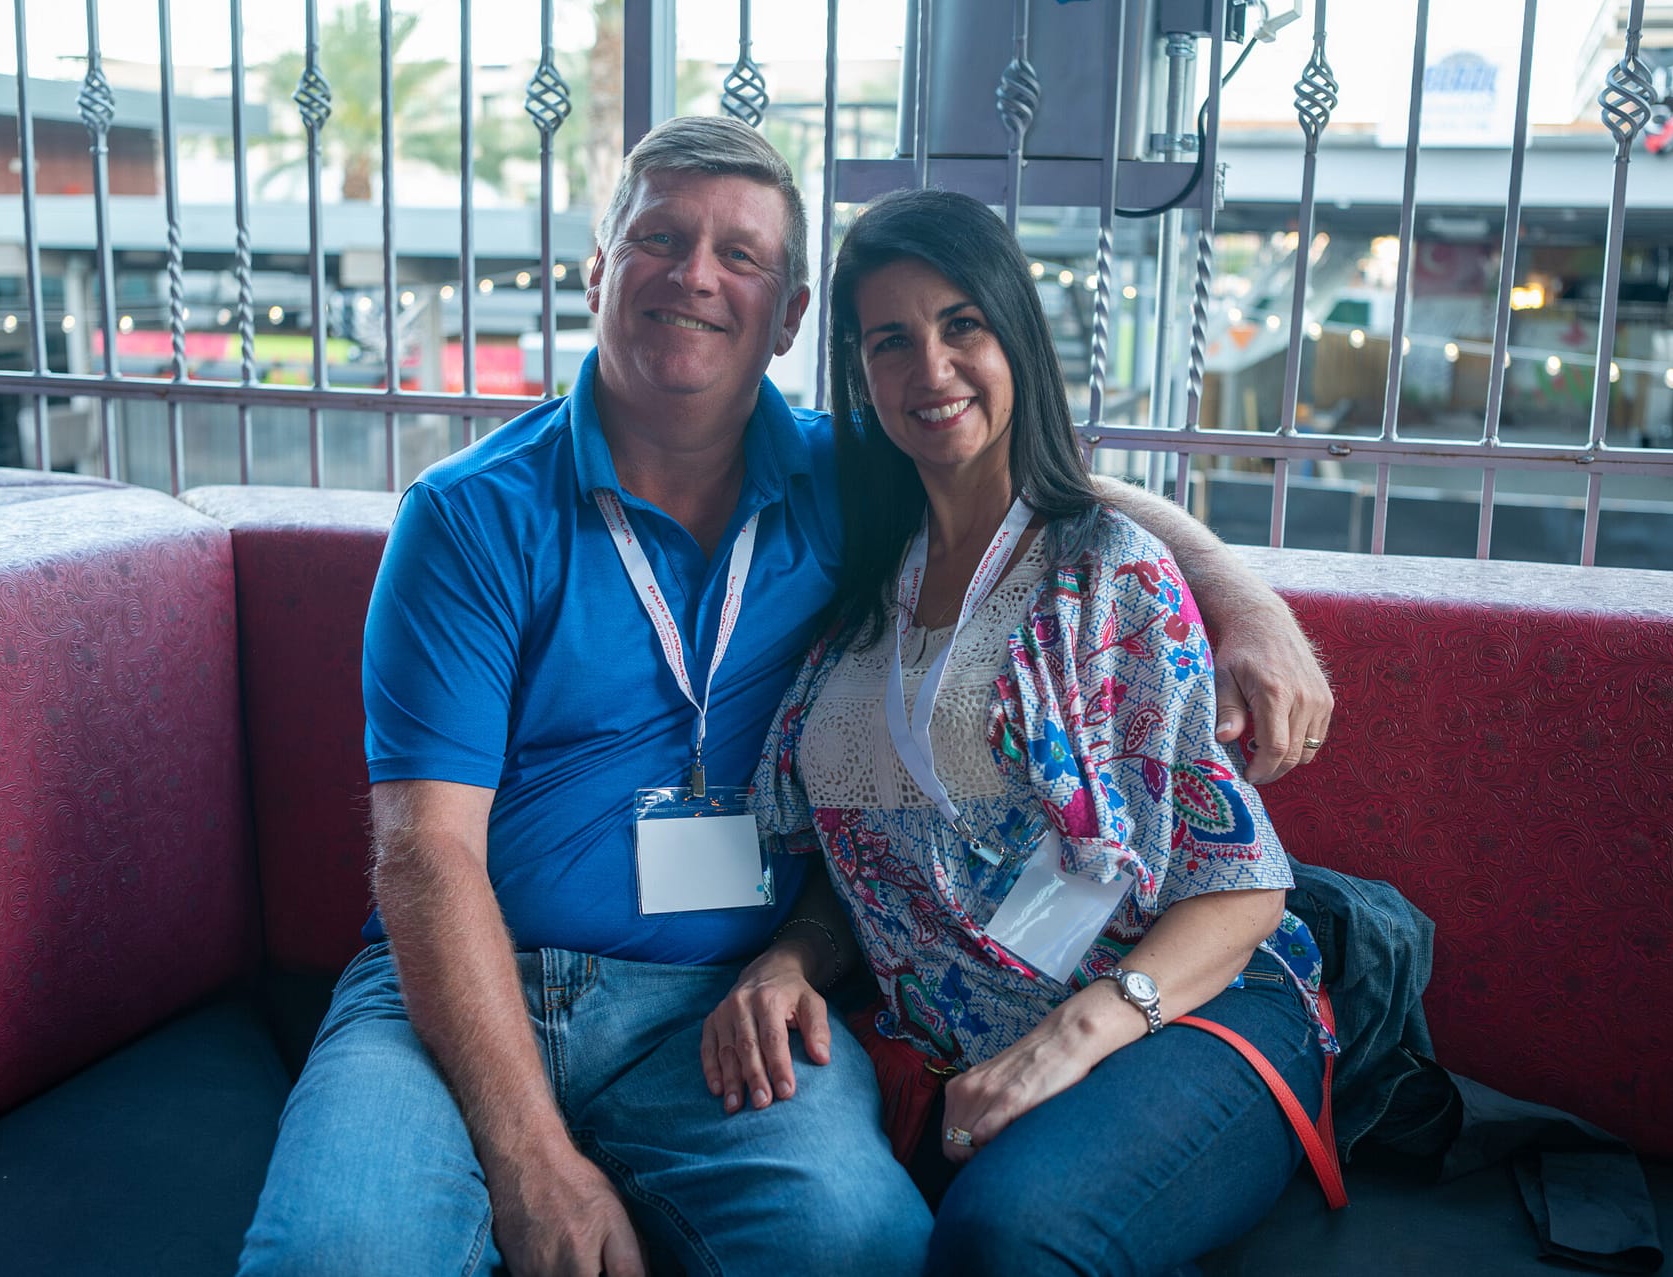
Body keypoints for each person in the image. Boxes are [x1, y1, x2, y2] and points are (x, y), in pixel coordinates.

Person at [239, 117, 1330, 1277]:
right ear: (598, 270)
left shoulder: (849, 476)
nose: (695, 275)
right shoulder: (469, 515)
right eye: (660, 238)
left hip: (715, 1007)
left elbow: (1041, 481)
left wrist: (1240, 600)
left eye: (740, 255)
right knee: (334, 1257)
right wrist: (531, 1160)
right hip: (462, 988)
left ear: (792, 315)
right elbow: (426, 852)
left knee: (863, 1247)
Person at [709, 187, 1336, 1276]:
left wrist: (1069, 1040)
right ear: (859, 372)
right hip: (960, 1033)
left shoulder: (1108, 576)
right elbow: (879, 859)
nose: (931, 368)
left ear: (1017, 338)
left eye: (963, 324)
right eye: (891, 340)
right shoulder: (858, 584)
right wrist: (792, 954)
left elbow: (1241, 885)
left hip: (1181, 1006)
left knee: (1008, 1234)